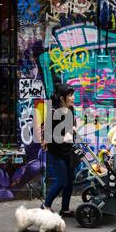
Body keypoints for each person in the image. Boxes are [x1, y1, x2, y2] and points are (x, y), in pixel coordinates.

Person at [41, 86, 77, 217]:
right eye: (70, 95)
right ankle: (46, 205)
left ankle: (65, 209)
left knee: (70, 179)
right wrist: (63, 137)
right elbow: (49, 137)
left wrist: (72, 130)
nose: (73, 98)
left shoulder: (71, 110)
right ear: (62, 98)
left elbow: (71, 127)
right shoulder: (54, 113)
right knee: (62, 180)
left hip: (68, 150)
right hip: (56, 152)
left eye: (73, 95)